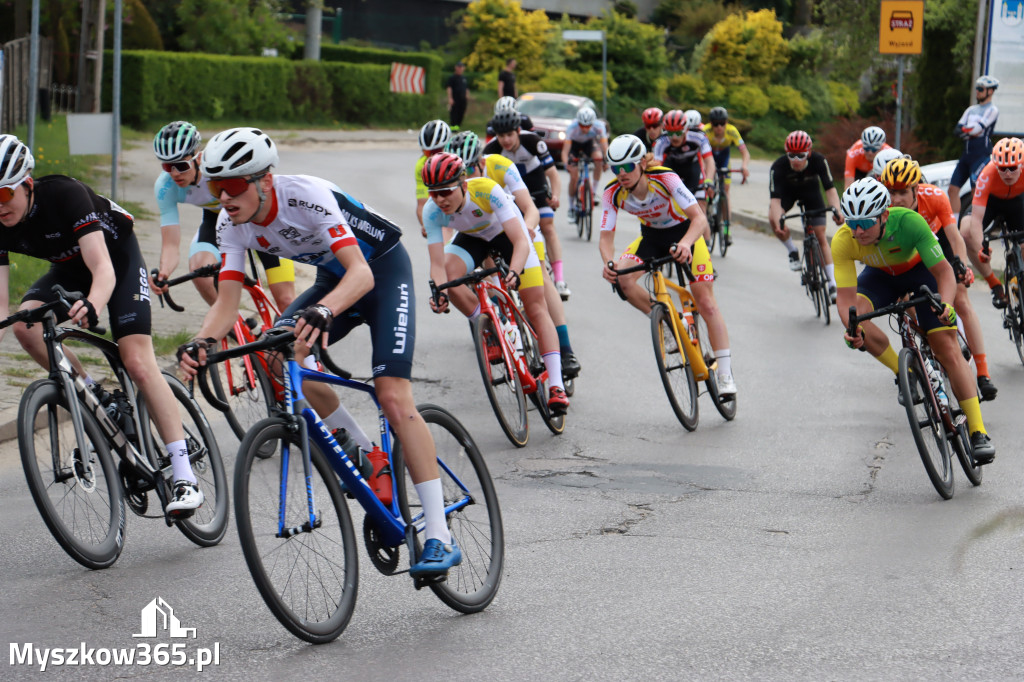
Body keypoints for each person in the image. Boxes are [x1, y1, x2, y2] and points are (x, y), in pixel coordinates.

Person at [177, 127, 461, 576]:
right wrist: (201, 341)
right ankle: (367, 455)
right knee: (276, 351)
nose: (222, 198)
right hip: (335, 280)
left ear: (263, 181)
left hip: (381, 272)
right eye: (214, 188)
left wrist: (326, 311)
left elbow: (362, 275)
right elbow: (227, 302)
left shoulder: (305, 197)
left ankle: (439, 536)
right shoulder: (232, 223)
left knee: (391, 394)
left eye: (231, 186)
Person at [0, 134, 204, 515]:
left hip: (117, 260)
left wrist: (94, 303)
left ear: (27, 185)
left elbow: (102, 267)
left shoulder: (65, 194)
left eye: (3, 195)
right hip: (68, 270)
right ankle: (97, 397)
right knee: (24, 326)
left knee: (137, 360)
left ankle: (183, 475)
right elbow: (1, 303)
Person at [836, 177, 995, 464]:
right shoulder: (843, 240)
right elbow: (846, 299)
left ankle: (978, 431)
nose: (858, 231)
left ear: (884, 215)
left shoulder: (909, 222)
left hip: (920, 272)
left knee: (945, 346)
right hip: (880, 277)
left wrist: (946, 305)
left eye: (865, 222)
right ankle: (904, 371)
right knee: (857, 320)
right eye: (852, 222)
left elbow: (945, 273)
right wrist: (852, 329)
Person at [421, 152, 570, 414]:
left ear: (463, 185)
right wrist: (439, 291)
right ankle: (489, 326)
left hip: (507, 236)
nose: (440, 199)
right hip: (473, 239)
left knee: (535, 306)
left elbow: (521, 241)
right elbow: (436, 265)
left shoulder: (487, 190)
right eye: (434, 194)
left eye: (446, 191)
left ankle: (556, 384)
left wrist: (514, 271)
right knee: (448, 275)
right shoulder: (432, 211)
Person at [599, 135, 737, 396]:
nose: (621, 174)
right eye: (615, 168)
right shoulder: (613, 193)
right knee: (623, 279)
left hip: (687, 233)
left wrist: (685, 244)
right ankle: (670, 323)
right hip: (652, 238)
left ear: (641, 163)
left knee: (705, 302)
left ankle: (726, 374)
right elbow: (605, 238)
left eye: (627, 167)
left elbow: (699, 219)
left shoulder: (665, 178)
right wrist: (608, 263)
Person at [445, 131, 581, 380]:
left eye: (470, 170)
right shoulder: (456, 189)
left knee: (539, 272)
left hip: (516, 222)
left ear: (481, 163)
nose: (467, 178)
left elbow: (530, 209)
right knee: (484, 269)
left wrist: (527, 231)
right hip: (483, 233)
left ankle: (565, 348)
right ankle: (501, 328)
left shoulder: (499, 165)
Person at [880, 157, 997, 401]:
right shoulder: (884, 208)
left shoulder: (933, 197)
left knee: (960, 297)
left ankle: (982, 374)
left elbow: (955, 237)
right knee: (905, 300)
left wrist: (961, 264)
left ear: (916, 188)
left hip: (936, 242)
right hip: (905, 252)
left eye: (902, 192)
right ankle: (921, 347)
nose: (896, 199)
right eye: (892, 192)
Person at [150, 121, 296, 310]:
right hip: (218, 221)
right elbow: (170, 244)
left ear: (198, 157)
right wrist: (164, 273)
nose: (175, 174)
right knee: (200, 273)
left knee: (286, 301)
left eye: (181, 165)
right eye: (168, 167)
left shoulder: (218, 168)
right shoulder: (165, 187)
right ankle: (235, 326)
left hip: (259, 221)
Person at [483, 111, 570, 300]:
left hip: (535, 185)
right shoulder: (491, 149)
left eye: (509, 135)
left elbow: (553, 174)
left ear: (518, 131)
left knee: (547, 225)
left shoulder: (532, 141)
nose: (505, 140)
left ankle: (560, 280)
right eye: (501, 136)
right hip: (510, 191)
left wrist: (554, 195)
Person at [767, 130, 844, 301]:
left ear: (808, 153)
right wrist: (779, 222)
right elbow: (775, 201)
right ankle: (792, 251)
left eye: (800, 156)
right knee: (773, 218)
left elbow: (830, 189)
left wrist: (837, 210)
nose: (796, 160)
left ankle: (832, 283)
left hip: (811, 193)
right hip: (788, 194)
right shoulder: (778, 167)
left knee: (820, 236)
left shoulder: (819, 161)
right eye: (791, 155)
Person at [961, 137, 1024, 311]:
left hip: (1018, 202)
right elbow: (976, 219)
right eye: (1002, 169)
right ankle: (995, 285)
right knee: (966, 231)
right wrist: (981, 247)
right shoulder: (987, 174)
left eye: (1012, 168)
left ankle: (1019, 281)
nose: (1008, 173)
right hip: (992, 203)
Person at [653, 110, 716, 226]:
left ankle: (705, 241)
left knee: (700, 207)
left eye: (678, 132)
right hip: (672, 168)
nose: (674, 137)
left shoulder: (698, 137)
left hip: (692, 168)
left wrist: (709, 180)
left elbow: (709, 161)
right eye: (670, 133)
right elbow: (657, 168)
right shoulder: (661, 142)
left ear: (686, 129)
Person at [949, 75, 1000, 215]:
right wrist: (969, 131)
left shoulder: (992, 110)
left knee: (975, 192)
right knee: (952, 190)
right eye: (976, 88)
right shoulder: (971, 109)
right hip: (966, 155)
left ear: (990, 91)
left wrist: (967, 131)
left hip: (981, 155)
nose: (977, 91)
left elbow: (977, 129)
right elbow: (957, 130)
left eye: (980, 88)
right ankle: (956, 226)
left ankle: (975, 225)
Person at [706, 106, 751, 246]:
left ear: (726, 122)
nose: (719, 127)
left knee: (725, 192)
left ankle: (726, 230)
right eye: (715, 124)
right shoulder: (705, 131)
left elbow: (745, 152)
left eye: (722, 123)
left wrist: (744, 166)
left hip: (724, 160)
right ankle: (708, 212)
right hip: (709, 159)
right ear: (711, 124)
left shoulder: (732, 131)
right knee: (707, 189)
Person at [561, 106, 608, 217]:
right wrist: (566, 164)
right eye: (582, 125)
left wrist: (606, 161)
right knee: (574, 176)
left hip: (589, 143)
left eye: (588, 126)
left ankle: (594, 192)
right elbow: (565, 151)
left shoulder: (599, 126)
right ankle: (571, 207)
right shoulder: (572, 127)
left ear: (593, 123)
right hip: (574, 146)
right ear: (578, 123)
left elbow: (604, 146)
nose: (585, 129)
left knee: (599, 158)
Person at [414, 119, 452, 233]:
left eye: (437, 151)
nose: (432, 157)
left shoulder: (459, 159)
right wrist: (426, 225)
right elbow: (422, 204)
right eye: (427, 152)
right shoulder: (422, 166)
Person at [844, 126, 892, 190]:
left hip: (878, 172)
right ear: (862, 145)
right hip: (859, 172)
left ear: (881, 148)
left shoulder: (888, 154)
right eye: (866, 148)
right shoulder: (852, 154)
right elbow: (848, 186)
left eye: (874, 149)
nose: (870, 153)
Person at [446, 61, 469, 130]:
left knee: (461, 113)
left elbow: (466, 88)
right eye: (459, 67)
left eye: (461, 67)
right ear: (456, 68)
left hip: (463, 99)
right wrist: (450, 98)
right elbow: (449, 88)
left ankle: (457, 127)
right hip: (455, 98)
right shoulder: (452, 78)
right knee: (454, 114)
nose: (460, 68)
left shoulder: (464, 78)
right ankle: (453, 128)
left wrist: (467, 96)